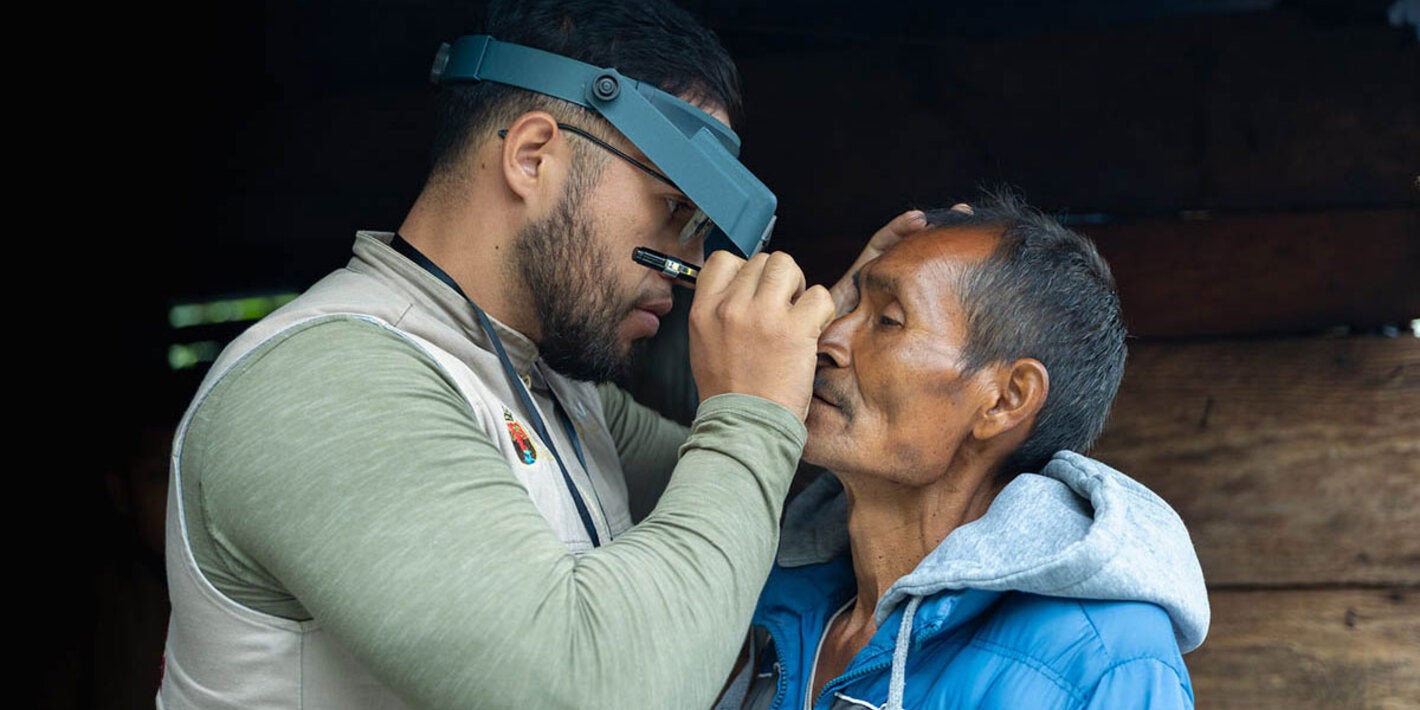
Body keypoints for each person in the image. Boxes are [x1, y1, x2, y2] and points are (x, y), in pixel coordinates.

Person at [156, 1, 925, 708]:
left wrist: (829, 344)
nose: (689, 266)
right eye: (674, 212)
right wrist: (751, 410)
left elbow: (759, 496)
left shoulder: (546, 381)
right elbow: (592, 688)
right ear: (532, 157)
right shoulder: (325, 381)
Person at [721, 193, 1210, 710]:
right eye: (850, 308)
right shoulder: (762, 596)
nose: (828, 339)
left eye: (887, 319)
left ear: (1005, 399)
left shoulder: (1104, 662)